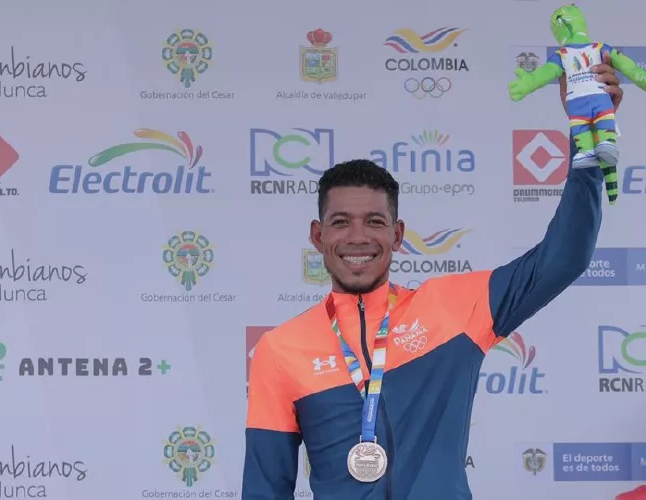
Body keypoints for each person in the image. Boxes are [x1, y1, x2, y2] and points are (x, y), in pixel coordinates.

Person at [242, 56, 624, 500]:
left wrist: (587, 143)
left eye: (375, 222)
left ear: (399, 234)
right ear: (317, 235)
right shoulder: (280, 349)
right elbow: (264, 490)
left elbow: (563, 259)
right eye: (341, 221)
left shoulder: (452, 307)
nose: (358, 237)